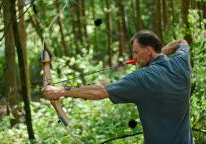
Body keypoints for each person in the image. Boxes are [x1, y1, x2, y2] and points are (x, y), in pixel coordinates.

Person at [42, 30, 193, 144]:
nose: (134, 57)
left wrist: (60, 91)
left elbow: (101, 92)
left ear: (148, 50)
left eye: (136, 52)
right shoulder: (181, 63)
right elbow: (182, 43)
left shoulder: (142, 78)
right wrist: (159, 54)